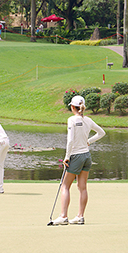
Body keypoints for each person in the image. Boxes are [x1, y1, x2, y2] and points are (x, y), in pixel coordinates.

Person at [52, 96, 106, 225]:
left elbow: (70, 141)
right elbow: (101, 133)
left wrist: (66, 156)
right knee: (82, 187)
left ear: (72, 107)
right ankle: (80, 216)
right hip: (86, 156)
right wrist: (89, 141)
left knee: (65, 186)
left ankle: (63, 216)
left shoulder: (71, 120)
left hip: (76, 156)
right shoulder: (88, 120)